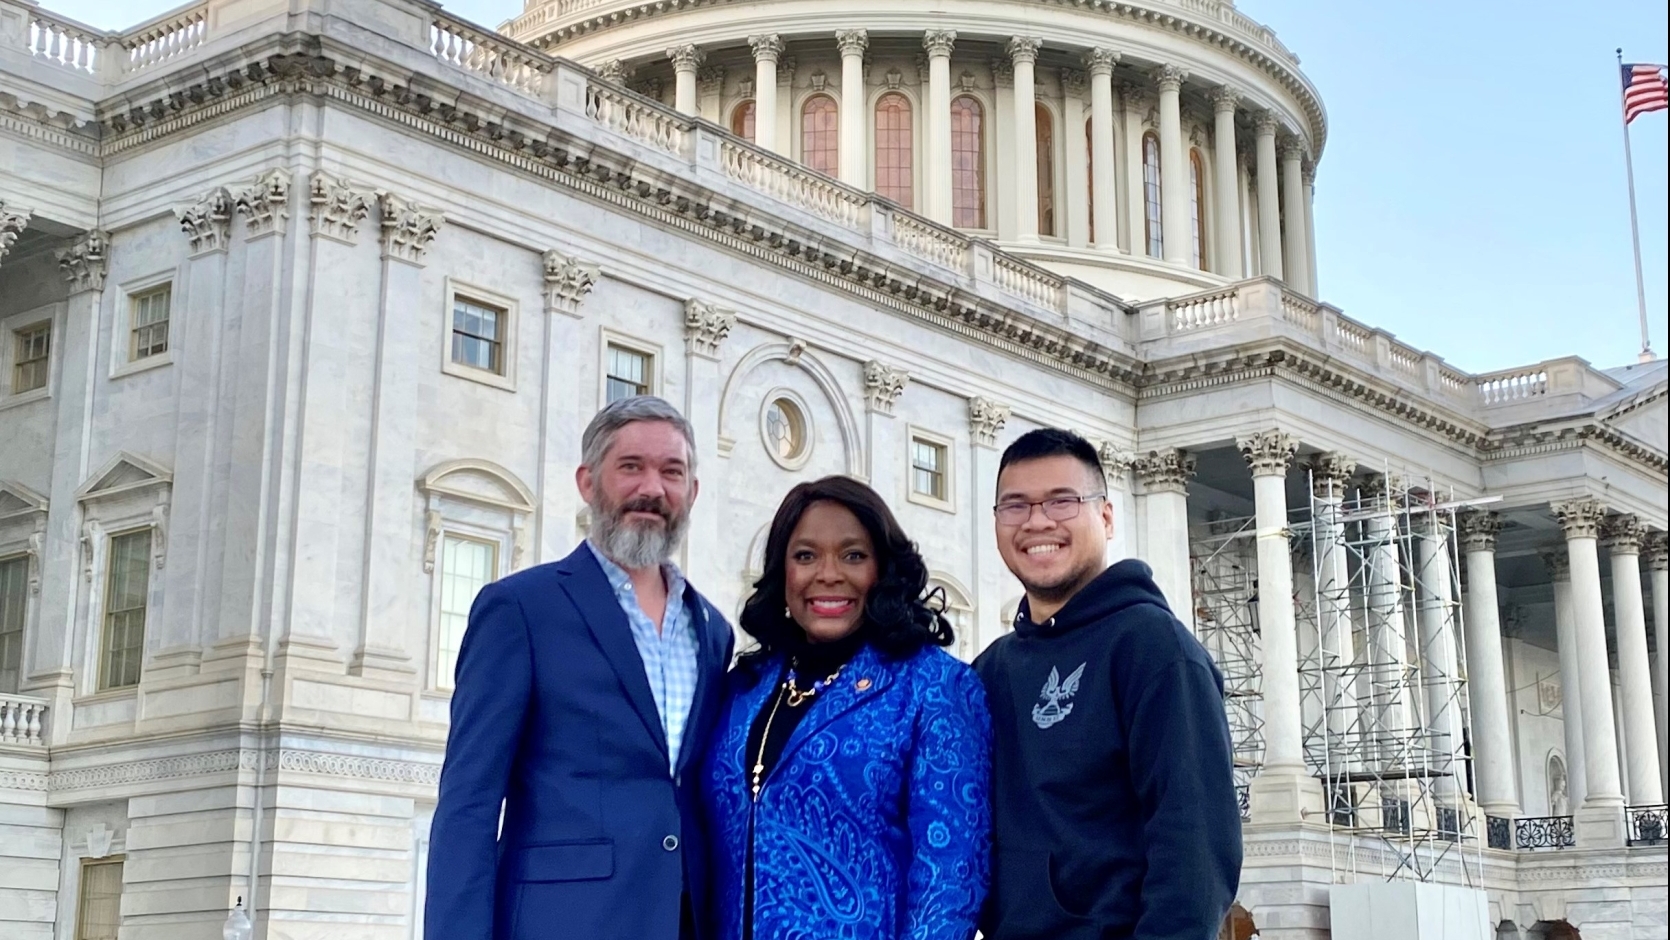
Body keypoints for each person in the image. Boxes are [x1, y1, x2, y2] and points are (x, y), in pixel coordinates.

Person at [425, 396, 735, 940]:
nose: (652, 489)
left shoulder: (711, 629)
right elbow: (468, 806)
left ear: (692, 492)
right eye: (631, 467)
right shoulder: (521, 609)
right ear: (588, 482)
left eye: (672, 472)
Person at [974, 428, 1241, 940]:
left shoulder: (1157, 651)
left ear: (1106, 516)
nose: (1037, 521)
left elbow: (1195, 853)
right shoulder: (992, 671)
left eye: (1062, 500)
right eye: (1016, 505)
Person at [700, 476, 991, 940]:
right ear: (784, 572)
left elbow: (950, 880)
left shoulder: (934, 686)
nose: (828, 573)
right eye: (805, 555)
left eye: (853, 555)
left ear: (883, 570)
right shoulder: (743, 688)